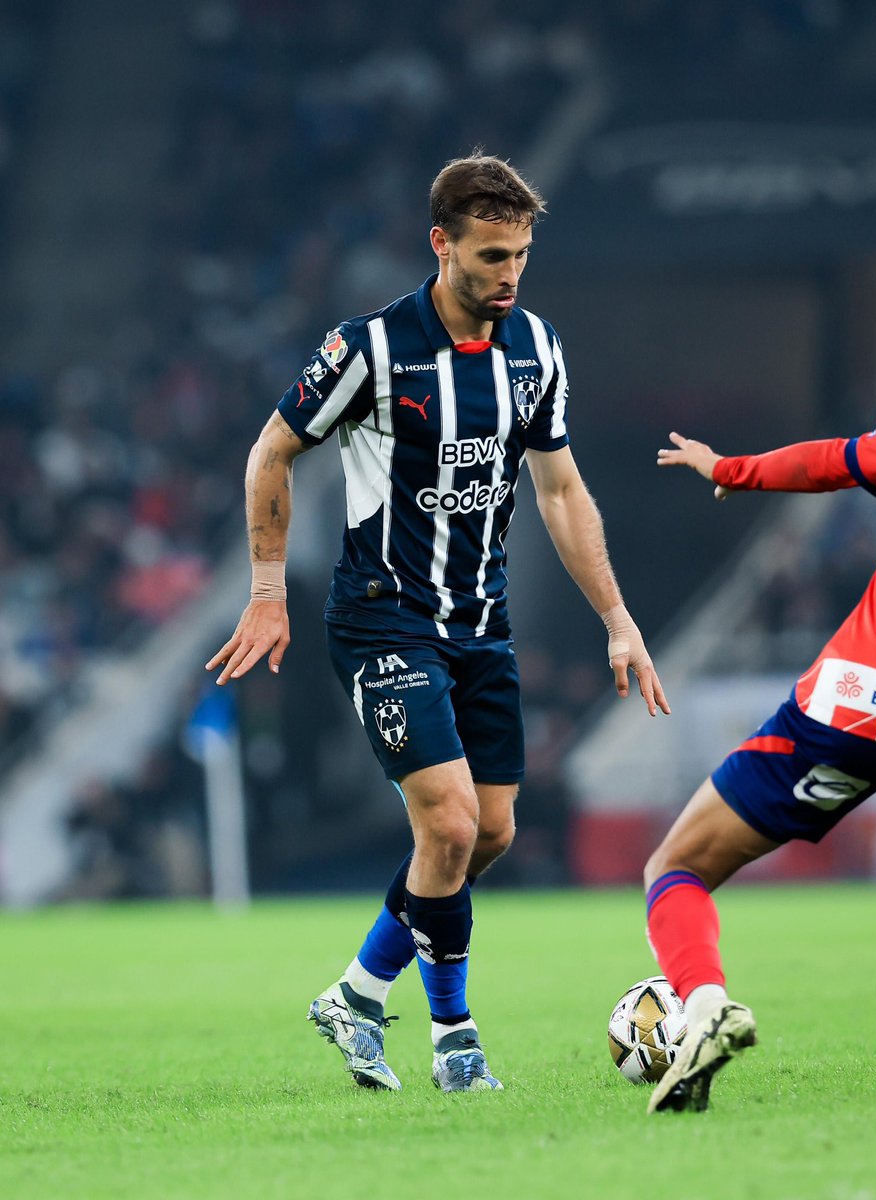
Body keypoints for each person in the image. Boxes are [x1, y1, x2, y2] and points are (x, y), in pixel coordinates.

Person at [206, 153, 668, 1093]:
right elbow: (270, 451)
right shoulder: (370, 349)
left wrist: (617, 616)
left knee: (486, 834)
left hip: (479, 623)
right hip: (383, 619)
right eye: (492, 255)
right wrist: (265, 588)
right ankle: (456, 1043)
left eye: (522, 257)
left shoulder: (537, 348)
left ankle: (357, 992)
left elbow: (561, 489)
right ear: (441, 242)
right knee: (451, 825)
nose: (508, 275)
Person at [644, 415, 876, 1114]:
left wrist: (730, 467)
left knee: (677, 866)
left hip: (850, 708)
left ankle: (708, 1006)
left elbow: (828, 463)